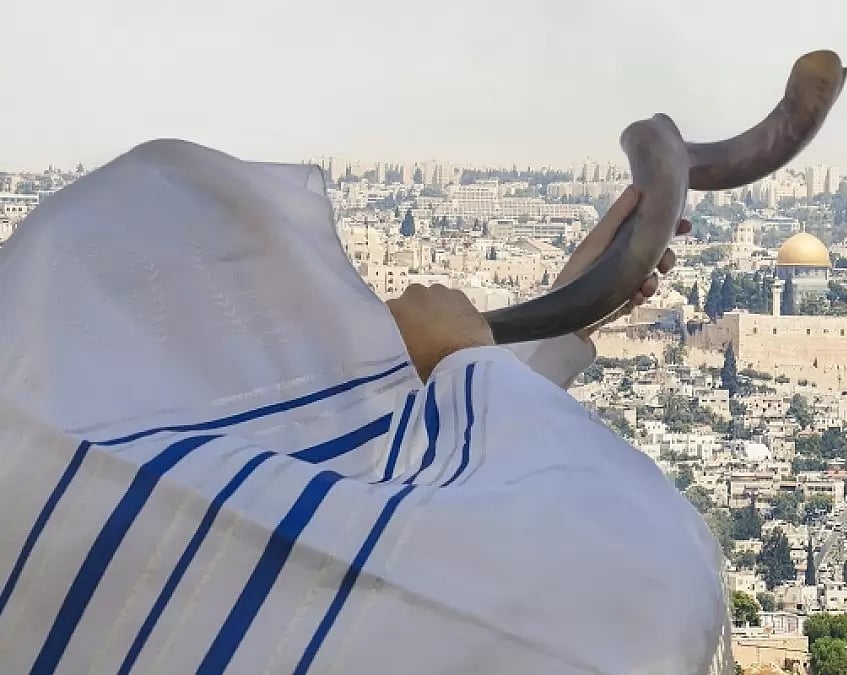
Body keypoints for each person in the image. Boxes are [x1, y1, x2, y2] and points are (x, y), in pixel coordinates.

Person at [0, 139, 731, 674]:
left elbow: (346, 495)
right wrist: (464, 365)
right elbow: (644, 603)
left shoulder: (75, 452)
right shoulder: (117, 493)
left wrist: (557, 319)